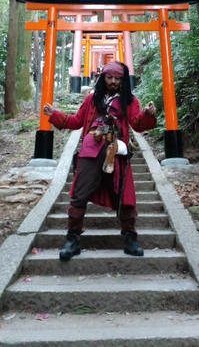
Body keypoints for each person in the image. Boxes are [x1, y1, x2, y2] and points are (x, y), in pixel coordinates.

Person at [43, 61, 156, 261]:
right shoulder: (91, 100)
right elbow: (76, 121)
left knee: (125, 196)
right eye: (109, 77)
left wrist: (146, 114)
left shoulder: (129, 101)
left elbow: (137, 124)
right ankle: (72, 239)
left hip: (116, 149)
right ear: (103, 78)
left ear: (122, 80)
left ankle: (130, 238)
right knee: (79, 193)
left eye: (117, 78)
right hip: (90, 149)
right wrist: (55, 115)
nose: (113, 81)